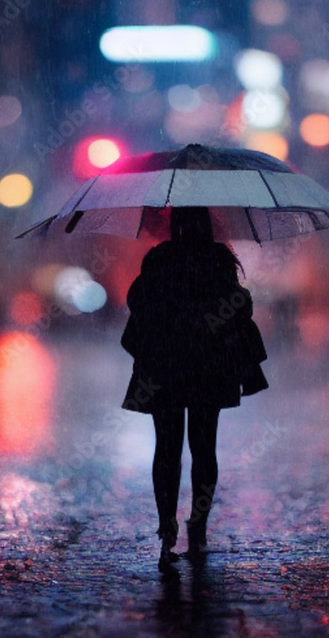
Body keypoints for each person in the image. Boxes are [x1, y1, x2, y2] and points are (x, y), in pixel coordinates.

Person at [121, 206, 268, 571]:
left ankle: (166, 527)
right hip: (207, 368)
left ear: (175, 226)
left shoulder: (159, 259)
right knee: (204, 449)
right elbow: (240, 307)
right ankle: (197, 527)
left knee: (167, 450)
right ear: (207, 225)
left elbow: (137, 303)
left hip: (165, 367)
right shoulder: (218, 260)